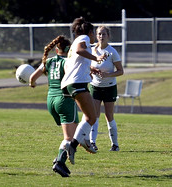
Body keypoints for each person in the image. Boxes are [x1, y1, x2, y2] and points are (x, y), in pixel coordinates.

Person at [29, 35, 79, 177]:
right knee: (70, 137)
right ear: (69, 49)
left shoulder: (49, 61)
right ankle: (59, 161)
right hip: (65, 100)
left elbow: (32, 78)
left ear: (56, 50)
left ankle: (61, 159)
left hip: (50, 100)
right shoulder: (68, 62)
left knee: (74, 132)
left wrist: (32, 84)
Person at [61, 17, 107, 165]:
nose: (94, 36)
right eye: (93, 33)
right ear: (89, 32)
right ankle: (73, 145)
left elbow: (70, 64)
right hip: (77, 83)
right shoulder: (83, 38)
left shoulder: (75, 43)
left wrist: (91, 68)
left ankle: (84, 139)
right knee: (91, 117)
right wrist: (96, 57)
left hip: (71, 84)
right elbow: (81, 50)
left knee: (89, 116)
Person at [89, 26, 124, 151]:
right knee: (94, 115)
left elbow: (121, 71)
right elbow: (88, 66)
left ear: (108, 36)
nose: (101, 36)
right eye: (99, 34)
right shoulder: (92, 50)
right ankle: (92, 142)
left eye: (104, 34)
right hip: (95, 87)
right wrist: (93, 70)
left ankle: (115, 145)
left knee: (109, 115)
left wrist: (108, 75)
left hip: (109, 87)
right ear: (96, 35)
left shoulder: (112, 52)